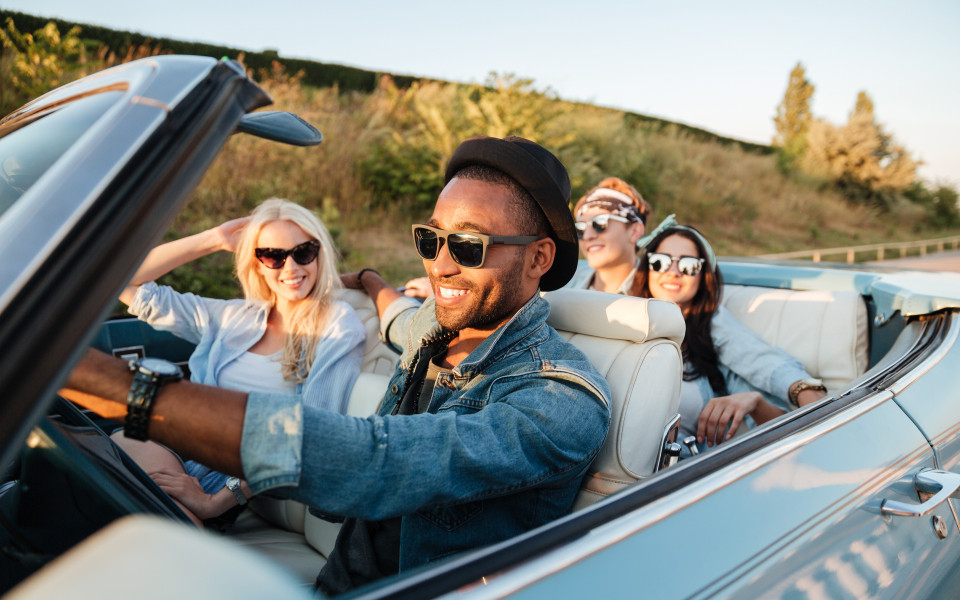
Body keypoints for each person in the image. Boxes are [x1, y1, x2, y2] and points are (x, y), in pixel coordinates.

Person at [61, 136, 611, 594]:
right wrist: (370, 282)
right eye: (430, 238)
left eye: (467, 245)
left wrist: (124, 391)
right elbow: (399, 320)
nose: (440, 264)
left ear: (539, 257)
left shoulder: (561, 399)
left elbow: (380, 463)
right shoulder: (436, 326)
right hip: (343, 578)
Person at [114, 198, 365, 524]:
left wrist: (217, 501)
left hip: (217, 480)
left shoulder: (335, 325)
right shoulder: (235, 317)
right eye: (272, 255)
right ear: (257, 263)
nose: (290, 268)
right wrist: (213, 239)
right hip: (167, 440)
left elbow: (312, 432)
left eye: (303, 252)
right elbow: (122, 280)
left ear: (320, 254)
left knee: (143, 527)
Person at [633, 224, 827, 453]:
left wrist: (799, 388)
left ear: (702, 275)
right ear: (647, 269)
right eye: (660, 262)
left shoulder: (713, 345)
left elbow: (757, 359)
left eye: (688, 265)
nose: (673, 272)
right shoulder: (619, 321)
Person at [564, 177, 652, 293]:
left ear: (635, 231)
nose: (587, 236)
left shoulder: (657, 292)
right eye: (581, 228)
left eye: (599, 223)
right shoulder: (564, 280)